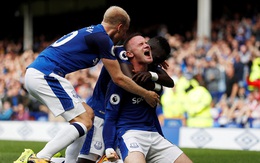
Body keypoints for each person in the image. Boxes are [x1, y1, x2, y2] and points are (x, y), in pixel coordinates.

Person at [14, 6, 159, 163]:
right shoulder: (102, 38)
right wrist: (146, 94)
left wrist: (156, 59)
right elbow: (119, 78)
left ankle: (67, 161)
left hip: (41, 74)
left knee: (88, 114)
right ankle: (40, 158)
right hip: (46, 75)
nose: (124, 36)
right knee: (83, 120)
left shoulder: (96, 34)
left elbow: (120, 53)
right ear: (120, 27)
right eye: (125, 31)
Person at [65, 34, 174, 163]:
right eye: (154, 55)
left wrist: (152, 74)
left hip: (119, 119)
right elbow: (131, 80)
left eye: (158, 59)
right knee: (88, 158)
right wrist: (156, 85)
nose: (154, 60)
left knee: (117, 157)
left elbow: (170, 82)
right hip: (100, 112)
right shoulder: (121, 53)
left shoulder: (149, 65)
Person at [103, 34, 193, 163]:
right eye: (141, 44)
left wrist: (162, 138)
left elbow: (168, 83)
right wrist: (109, 147)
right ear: (128, 54)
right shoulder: (120, 81)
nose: (146, 45)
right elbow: (110, 117)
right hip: (130, 134)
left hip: (154, 135)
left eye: (146, 43)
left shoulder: (154, 79)